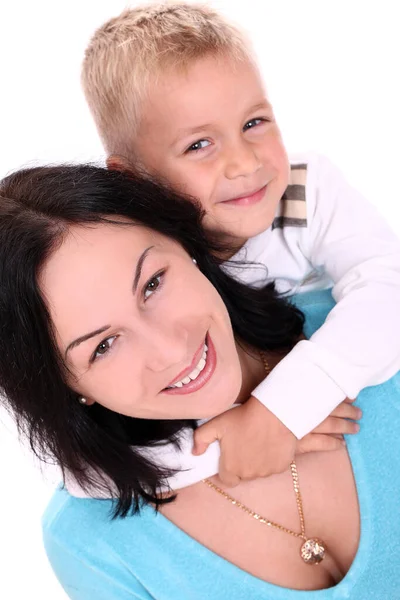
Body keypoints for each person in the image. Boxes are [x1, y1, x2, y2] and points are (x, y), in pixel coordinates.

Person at [0, 164, 398, 599]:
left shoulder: (370, 333)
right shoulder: (89, 543)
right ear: (66, 386)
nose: (170, 350)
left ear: (186, 244)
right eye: (104, 345)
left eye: (152, 284)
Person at [80, 2, 400, 486]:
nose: (244, 163)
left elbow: (388, 290)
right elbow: (83, 468)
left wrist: (284, 407)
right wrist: (234, 443)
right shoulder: (142, 262)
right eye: (199, 145)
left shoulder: (302, 188)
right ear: (134, 180)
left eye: (254, 123)